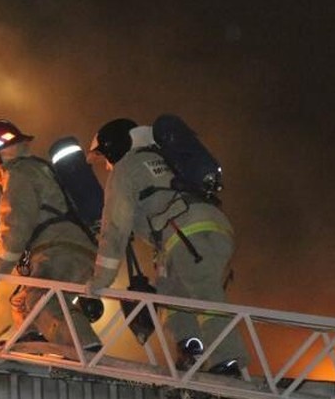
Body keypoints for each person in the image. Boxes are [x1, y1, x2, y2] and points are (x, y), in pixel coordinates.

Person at [85, 117, 248, 375]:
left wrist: (99, 281)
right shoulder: (162, 156)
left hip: (187, 234)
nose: (106, 167)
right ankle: (191, 349)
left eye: (105, 158)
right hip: (208, 228)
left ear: (114, 148)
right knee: (169, 292)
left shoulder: (125, 168)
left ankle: (227, 360)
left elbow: (114, 229)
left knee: (204, 294)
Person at [0, 119, 101, 352]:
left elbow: (15, 227)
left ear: (0, 154)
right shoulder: (34, 169)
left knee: (42, 299)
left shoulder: (19, 174)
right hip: (63, 248)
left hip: (63, 249)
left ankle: (88, 350)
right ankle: (34, 341)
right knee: (22, 302)